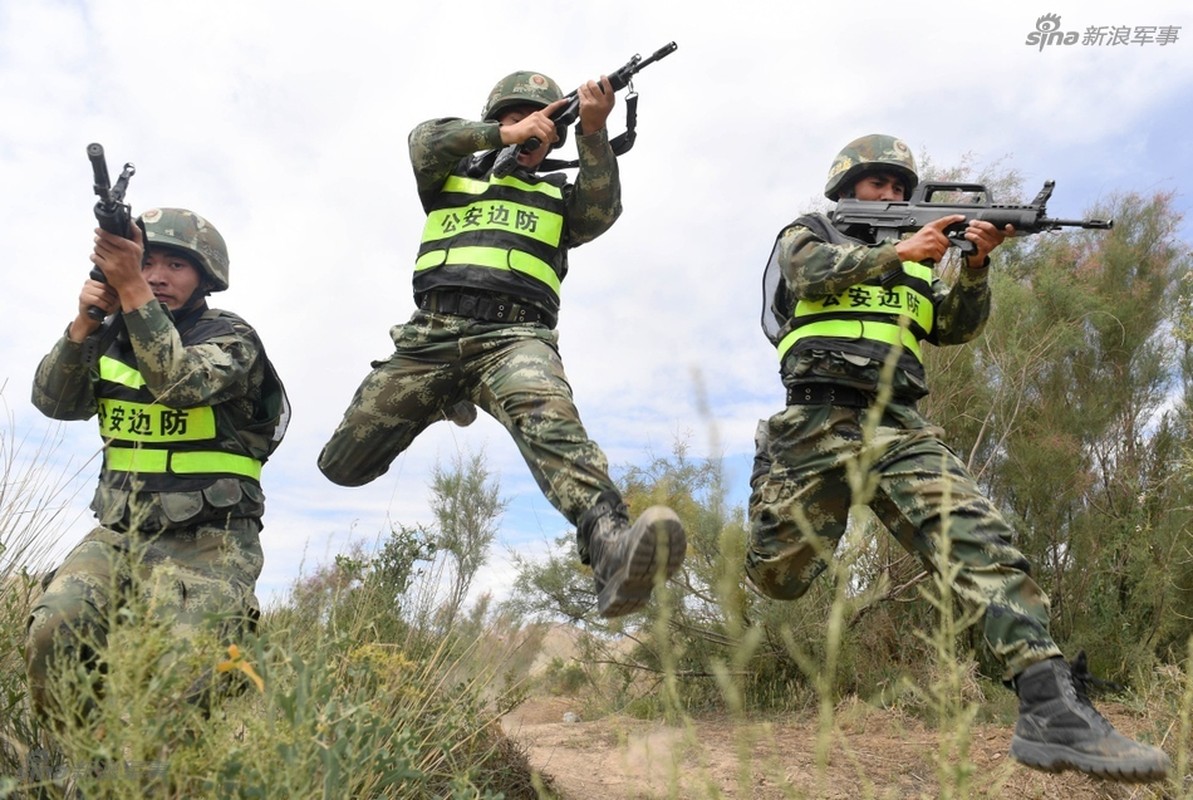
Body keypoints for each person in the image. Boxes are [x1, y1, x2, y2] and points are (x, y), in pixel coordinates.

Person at [746, 133, 1170, 782]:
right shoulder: (810, 232)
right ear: (845, 187)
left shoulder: (919, 264)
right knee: (780, 575)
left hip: (900, 426)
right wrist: (898, 250)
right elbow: (802, 275)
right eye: (875, 183)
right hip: (813, 420)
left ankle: (1048, 706)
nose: (888, 192)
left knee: (981, 542)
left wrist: (975, 267)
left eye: (897, 185)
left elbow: (955, 329)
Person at [318, 70, 685, 617]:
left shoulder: (560, 195)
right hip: (430, 338)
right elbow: (425, 136)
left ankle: (611, 546)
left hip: (515, 339)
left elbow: (602, 212)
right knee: (342, 465)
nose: (530, 131)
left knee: (552, 419)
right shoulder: (448, 178)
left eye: (540, 124)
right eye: (514, 119)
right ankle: (445, 399)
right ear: (494, 123)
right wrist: (503, 137)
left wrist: (592, 130)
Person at [27, 207, 289, 726]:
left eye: (176, 265)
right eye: (145, 263)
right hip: (121, 533)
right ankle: (84, 764)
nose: (157, 276)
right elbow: (54, 403)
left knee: (183, 679)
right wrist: (85, 323)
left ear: (205, 276)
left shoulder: (231, 337)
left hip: (210, 542)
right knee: (55, 625)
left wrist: (132, 292)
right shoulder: (107, 335)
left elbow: (180, 383)